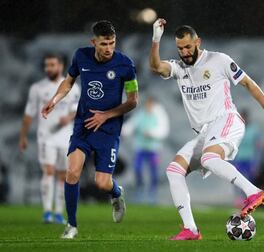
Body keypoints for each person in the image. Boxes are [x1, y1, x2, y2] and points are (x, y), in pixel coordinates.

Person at [149, 18, 264, 240]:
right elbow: (155, 66)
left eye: (188, 47)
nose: (184, 52)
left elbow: (249, 83)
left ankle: (253, 192)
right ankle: (190, 229)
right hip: (204, 132)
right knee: (174, 170)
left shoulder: (219, 60)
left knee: (209, 158)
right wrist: (156, 39)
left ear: (198, 42)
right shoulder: (178, 68)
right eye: (180, 48)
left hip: (226, 119)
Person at [41, 20, 139, 239]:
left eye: (112, 43)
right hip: (83, 125)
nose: (109, 48)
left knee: (102, 182)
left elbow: (133, 101)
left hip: (109, 129)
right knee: (72, 172)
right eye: (104, 44)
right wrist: (54, 99)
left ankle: (116, 193)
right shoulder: (80, 56)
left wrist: (106, 115)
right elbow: (68, 82)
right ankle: (72, 225)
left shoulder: (125, 65)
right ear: (93, 42)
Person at [19, 54, 80, 224]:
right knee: (48, 171)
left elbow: (76, 109)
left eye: (52, 65)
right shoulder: (37, 88)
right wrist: (23, 136)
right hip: (46, 137)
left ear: (60, 66)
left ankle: (59, 213)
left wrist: (69, 118)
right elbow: (29, 114)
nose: (49, 68)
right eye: (47, 65)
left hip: (66, 137)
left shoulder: (73, 88)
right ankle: (47, 211)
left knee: (63, 175)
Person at [122, 96, 169, 203]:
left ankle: (153, 193)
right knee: (137, 168)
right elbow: (131, 125)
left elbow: (163, 130)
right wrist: (124, 132)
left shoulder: (158, 115)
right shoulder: (141, 114)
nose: (148, 106)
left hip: (153, 149)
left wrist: (151, 133)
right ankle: (140, 188)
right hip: (140, 147)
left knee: (154, 171)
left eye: (150, 104)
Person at [231, 110, 262, 208]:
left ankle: (249, 199)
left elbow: (257, 147)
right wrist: (232, 161)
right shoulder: (236, 129)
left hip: (250, 159)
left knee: (250, 180)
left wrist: (256, 163)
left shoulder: (254, 130)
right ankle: (239, 199)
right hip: (239, 159)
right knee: (236, 180)